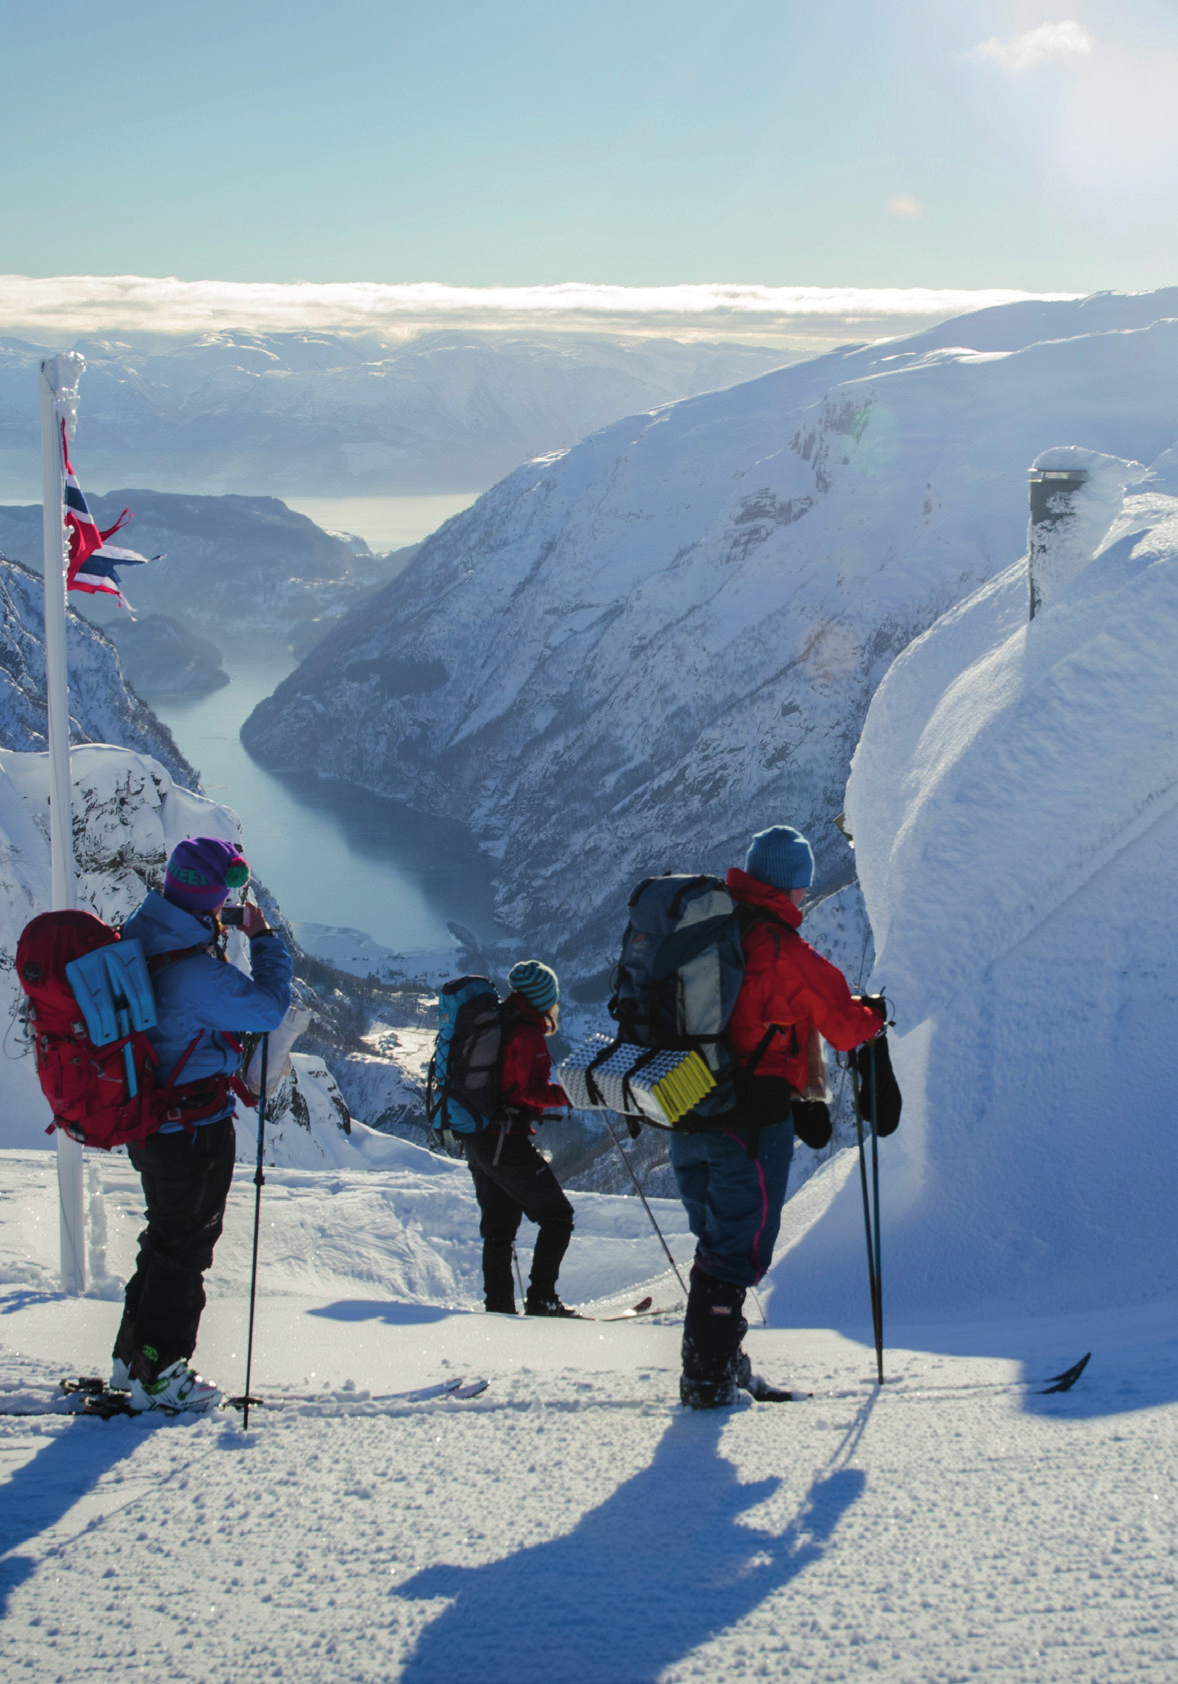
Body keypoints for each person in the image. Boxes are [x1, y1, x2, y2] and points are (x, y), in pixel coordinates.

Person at [670, 825, 885, 1409]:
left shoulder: (709, 930)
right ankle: (708, 1383)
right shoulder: (781, 949)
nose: (805, 896)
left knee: (716, 1243)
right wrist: (878, 1016)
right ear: (789, 887)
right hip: (749, 1120)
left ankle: (720, 1360)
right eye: (803, 886)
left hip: (688, 1107)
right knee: (735, 1249)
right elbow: (842, 1025)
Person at [111, 836, 292, 1414]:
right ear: (212, 893)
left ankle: (132, 1357)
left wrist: (213, 924)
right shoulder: (191, 971)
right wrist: (264, 941)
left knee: (164, 1237)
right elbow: (266, 1009)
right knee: (187, 1248)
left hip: (151, 1121)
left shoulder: (147, 928)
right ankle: (162, 1371)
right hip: (192, 1129)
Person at [466, 959, 579, 1317]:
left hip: (479, 1138)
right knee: (558, 1216)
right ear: (545, 998)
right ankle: (542, 1299)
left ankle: (498, 1307)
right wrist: (571, 1095)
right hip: (504, 1141)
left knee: (499, 1229)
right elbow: (530, 1092)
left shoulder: (501, 1018)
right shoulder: (526, 1033)